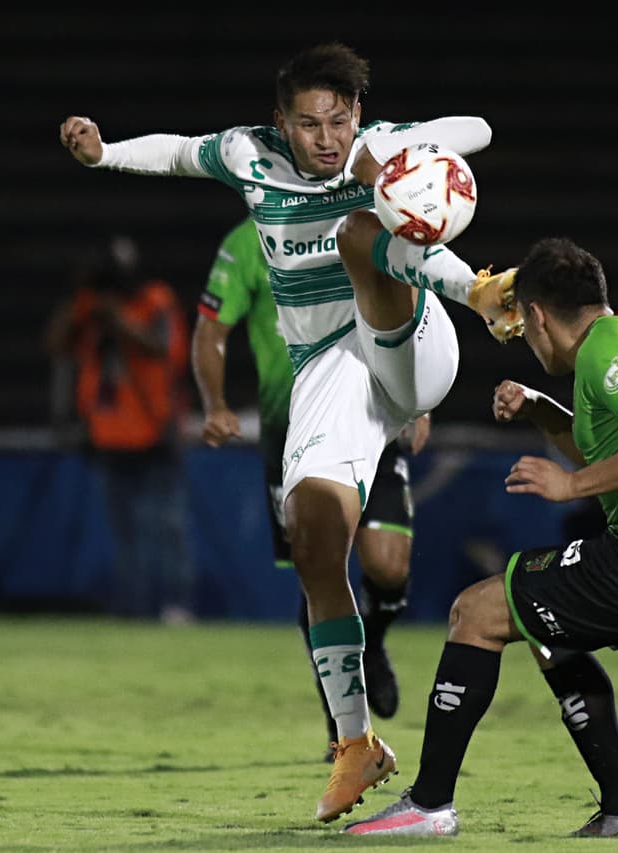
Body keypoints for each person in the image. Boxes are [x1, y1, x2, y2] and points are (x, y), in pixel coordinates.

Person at [60, 42, 523, 822]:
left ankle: (480, 286)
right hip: (327, 369)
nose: (326, 138)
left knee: (355, 233)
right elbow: (176, 152)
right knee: (314, 536)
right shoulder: (249, 154)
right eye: (309, 123)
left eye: (340, 122)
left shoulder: (374, 150)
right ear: (282, 122)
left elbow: (475, 126)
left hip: (413, 348)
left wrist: (399, 154)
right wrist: (103, 153)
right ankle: (355, 744)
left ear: (356, 117)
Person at [343, 237, 618, 838]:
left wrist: (570, 486)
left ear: (535, 314)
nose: (523, 340)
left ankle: (428, 806)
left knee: (475, 611)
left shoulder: (608, 353)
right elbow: (611, 446)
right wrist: (539, 408)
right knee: (544, 629)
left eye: (520, 327)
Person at [193, 215, 431, 756]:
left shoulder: (360, 220)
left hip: (371, 412)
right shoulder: (245, 242)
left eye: (335, 124)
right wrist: (216, 405)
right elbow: (211, 331)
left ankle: (374, 641)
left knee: (389, 564)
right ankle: (342, 725)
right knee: (320, 568)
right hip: (293, 430)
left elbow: (411, 299)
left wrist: (423, 392)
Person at [43, 235, 196, 623]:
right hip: (110, 436)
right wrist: (80, 301)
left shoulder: (154, 300)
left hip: (154, 429)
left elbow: (161, 345)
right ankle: (134, 610)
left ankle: (176, 605)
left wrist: (119, 320)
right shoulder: (90, 306)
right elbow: (56, 345)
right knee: (124, 533)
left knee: (166, 527)